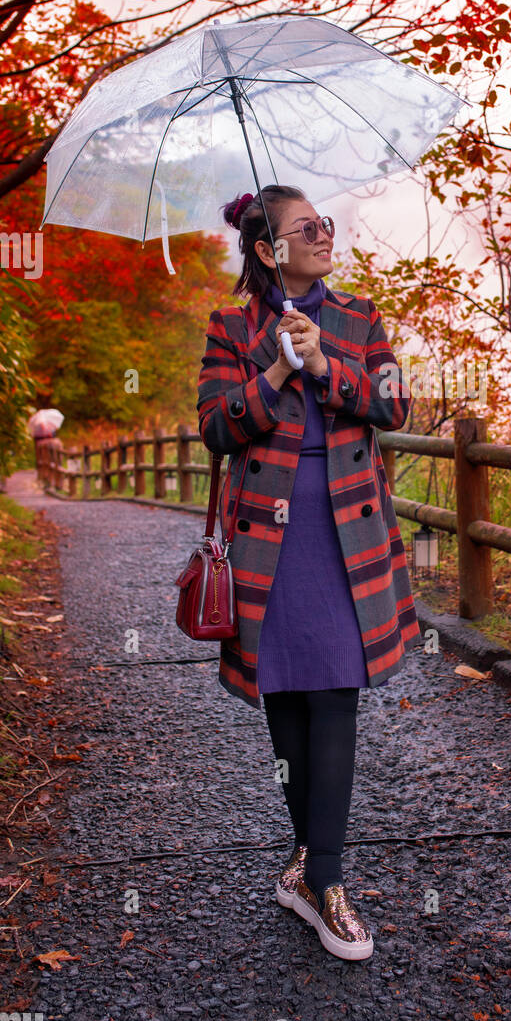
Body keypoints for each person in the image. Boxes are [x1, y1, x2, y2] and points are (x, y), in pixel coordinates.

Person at [197, 184, 422, 962]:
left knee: (335, 692)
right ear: (268, 250)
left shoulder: (357, 314)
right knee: (287, 698)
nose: (326, 235)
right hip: (269, 541)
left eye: (325, 224)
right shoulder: (232, 326)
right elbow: (215, 430)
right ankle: (305, 865)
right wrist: (274, 369)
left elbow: (397, 406)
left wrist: (328, 363)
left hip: (345, 533)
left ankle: (325, 880)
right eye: (306, 229)